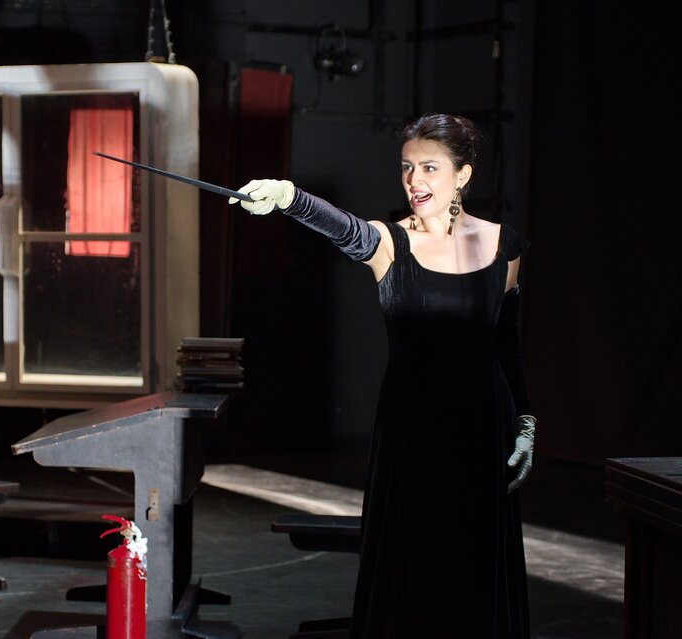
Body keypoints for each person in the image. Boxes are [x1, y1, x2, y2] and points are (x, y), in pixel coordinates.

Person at [229, 113, 535, 638]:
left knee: (474, 572)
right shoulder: (391, 243)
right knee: (412, 569)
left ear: (462, 175)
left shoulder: (504, 246)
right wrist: (289, 197)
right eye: (407, 167)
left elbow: (506, 342)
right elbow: (343, 227)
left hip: (483, 428)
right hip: (411, 432)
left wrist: (525, 421)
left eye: (430, 167)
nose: (414, 180)